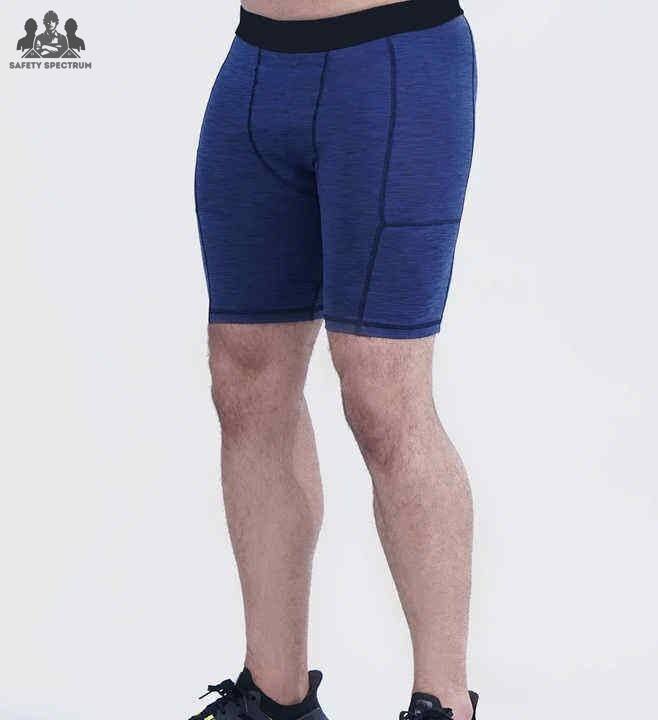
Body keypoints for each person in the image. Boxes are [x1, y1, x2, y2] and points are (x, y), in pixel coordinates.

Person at [191, 2, 478, 720]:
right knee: (245, 377)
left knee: (382, 392)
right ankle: (274, 697)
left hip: (392, 58)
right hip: (256, 66)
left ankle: (443, 703)